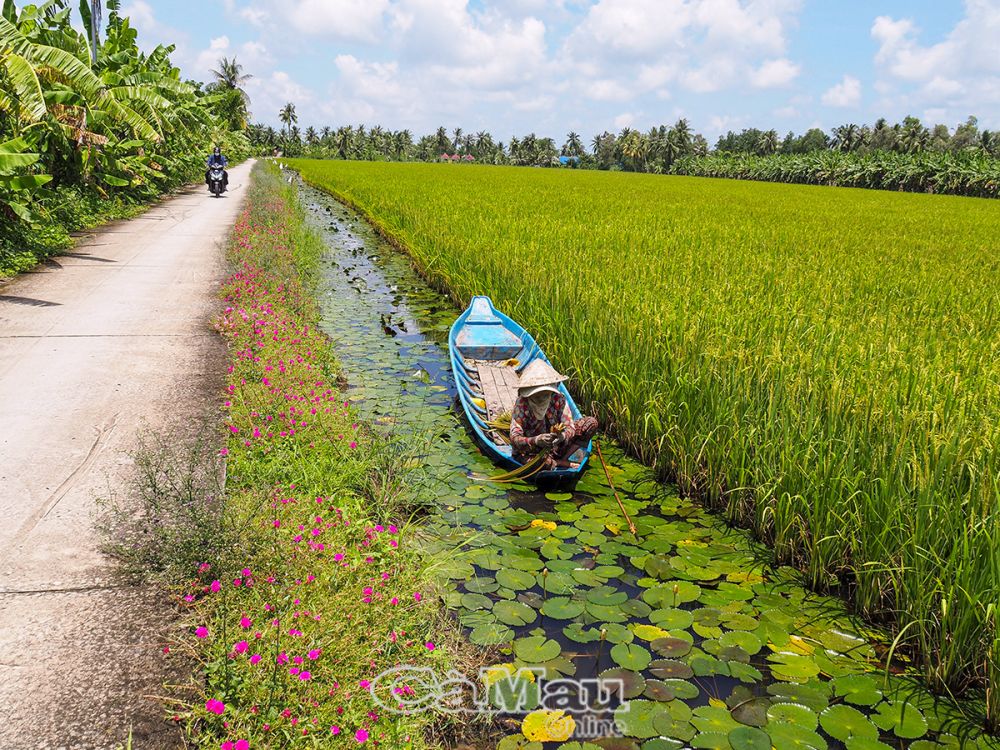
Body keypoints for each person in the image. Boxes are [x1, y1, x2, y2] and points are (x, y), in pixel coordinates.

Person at [510, 359, 598, 469]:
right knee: (542, 463)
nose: (541, 397)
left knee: (590, 423)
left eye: (545, 394)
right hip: (533, 452)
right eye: (537, 395)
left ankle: (563, 459)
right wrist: (536, 440)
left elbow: (569, 427)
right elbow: (514, 438)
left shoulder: (558, 398)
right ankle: (557, 463)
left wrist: (562, 436)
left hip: (556, 446)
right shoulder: (522, 403)